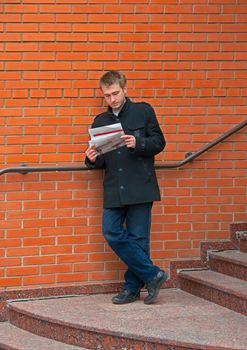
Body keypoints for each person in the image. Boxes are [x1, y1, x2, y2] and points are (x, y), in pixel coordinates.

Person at [85, 70, 168, 304]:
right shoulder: (100, 122)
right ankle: (153, 275)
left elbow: (159, 142)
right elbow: (100, 160)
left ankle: (132, 288)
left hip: (140, 184)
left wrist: (138, 142)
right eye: (107, 95)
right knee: (111, 231)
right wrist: (91, 158)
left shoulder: (143, 111)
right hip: (114, 187)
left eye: (115, 93)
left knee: (139, 238)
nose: (112, 99)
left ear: (124, 89)